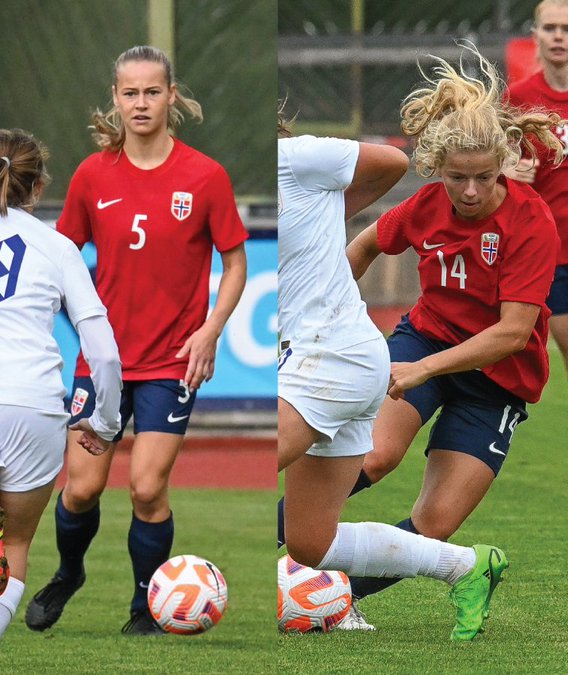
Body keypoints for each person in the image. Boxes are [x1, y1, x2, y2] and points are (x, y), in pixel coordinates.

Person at [285, 46, 563, 629]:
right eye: (457, 177)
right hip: (425, 340)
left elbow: (513, 333)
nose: (469, 191)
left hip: (499, 378)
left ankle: (335, 595)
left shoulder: (531, 221)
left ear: (503, 166)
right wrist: (325, 313)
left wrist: (423, 372)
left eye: (484, 178)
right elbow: (361, 246)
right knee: (378, 454)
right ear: (438, 170)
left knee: (436, 521)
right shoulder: (426, 204)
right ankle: (285, 544)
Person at [24, 45, 249, 635]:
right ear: (116, 99)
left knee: (147, 488)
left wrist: (210, 330)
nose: (141, 103)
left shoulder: (205, 176)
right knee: (80, 488)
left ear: (171, 96)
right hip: (101, 365)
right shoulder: (92, 176)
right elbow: (62, 259)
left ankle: (145, 607)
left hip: (172, 362)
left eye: (152, 91)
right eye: (130, 93)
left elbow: (235, 263)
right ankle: (70, 572)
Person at [276, 107, 509, 641]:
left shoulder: (295, 158)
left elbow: (388, 161)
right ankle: (466, 566)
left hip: (330, 358)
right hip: (338, 357)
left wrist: (335, 209)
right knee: (311, 541)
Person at [0, 129, 121, 640]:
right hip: (33, 408)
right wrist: (106, 423)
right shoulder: (56, 247)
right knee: (15, 545)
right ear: (38, 187)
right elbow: (105, 352)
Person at [506, 0, 568, 469]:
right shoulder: (518, 98)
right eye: (550, 28)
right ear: (537, 35)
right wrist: (512, 171)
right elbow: (494, 168)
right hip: (550, 249)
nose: (559, 36)